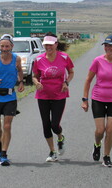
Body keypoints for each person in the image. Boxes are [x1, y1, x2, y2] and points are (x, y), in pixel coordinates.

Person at [32, 33, 74, 162]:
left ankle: (60, 138)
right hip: (43, 95)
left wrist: (66, 82)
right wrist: (36, 83)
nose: (48, 47)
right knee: (46, 125)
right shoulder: (38, 59)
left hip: (59, 95)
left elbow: (71, 72)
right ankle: (52, 151)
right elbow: (34, 75)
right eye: (46, 45)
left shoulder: (64, 57)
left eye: (50, 45)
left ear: (56, 45)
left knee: (55, 125)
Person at [82, 34, 112, 167]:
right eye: (106, 45)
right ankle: (97, 144)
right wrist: (85, 99)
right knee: (100, 131)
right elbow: (88, 80)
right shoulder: (97, 61)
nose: (108, 48)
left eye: (111, 46)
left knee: (110, 129)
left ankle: (106, 156)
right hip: (98, 98)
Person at [0, 34, 24, 166]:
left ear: (12, 46)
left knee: (7, 126)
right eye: (2, 46)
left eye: (7, 46)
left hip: (10, 97)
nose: (4, 48)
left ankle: (4, 154)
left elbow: (19, 70)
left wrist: (21, 82)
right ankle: (1, 142)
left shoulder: (16, 59)